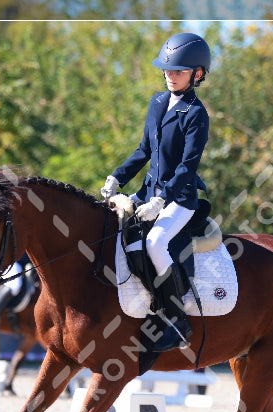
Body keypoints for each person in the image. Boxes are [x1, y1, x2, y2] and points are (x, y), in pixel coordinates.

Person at [100, 31, 211, 353]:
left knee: (155, 242)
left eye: (178, 71)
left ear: (197, 74)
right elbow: (144, 150)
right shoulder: (158, 101)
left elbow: (187, 165)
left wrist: (163, 199)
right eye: (167, 70)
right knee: (109, 229)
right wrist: (116, 177)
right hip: (148, 192)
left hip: (181, 197)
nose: (170, 76)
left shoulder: (196, 114)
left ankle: (176, 318)